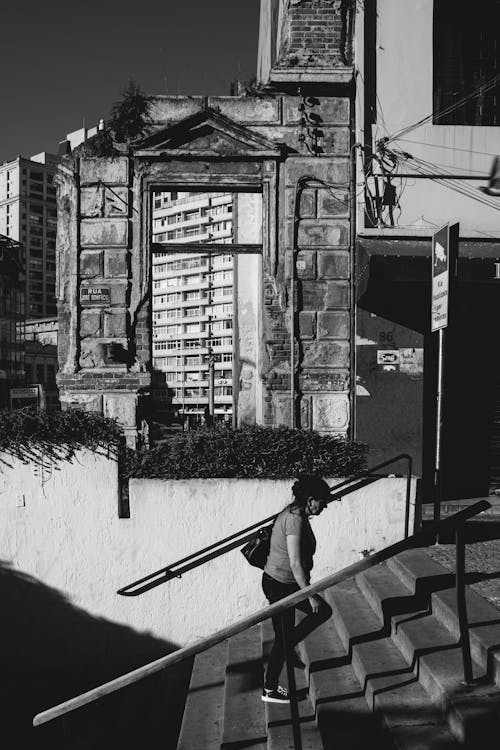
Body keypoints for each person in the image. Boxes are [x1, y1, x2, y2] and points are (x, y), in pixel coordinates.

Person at [261, 475, 334, 704]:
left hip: (284, 584)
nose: (325, 505)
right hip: (280, 585)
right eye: (323, 501)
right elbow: (295, 563)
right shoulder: (294, 519)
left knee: (285, 638)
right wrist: (309, 595)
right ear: (311, 499)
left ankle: (283, 652)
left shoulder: (297, 513)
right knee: (320, 611)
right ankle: (270, 689)